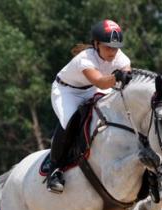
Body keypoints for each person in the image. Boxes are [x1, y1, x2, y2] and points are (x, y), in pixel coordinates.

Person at [47, 19, 133, 193]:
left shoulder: (121, 58)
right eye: (108, 47)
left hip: (91, 89)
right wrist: (118, 76)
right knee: (71, 121)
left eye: (115, 48)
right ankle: (54, 170)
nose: (113, 52)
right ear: (96, 44)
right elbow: (101, 82)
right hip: (67, 91)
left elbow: (126, 80)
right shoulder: (84, 59)